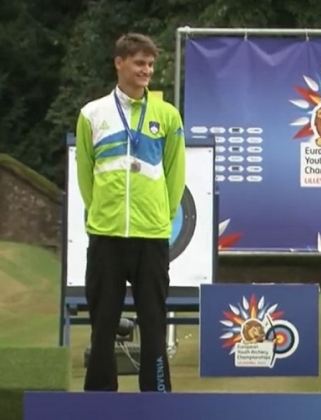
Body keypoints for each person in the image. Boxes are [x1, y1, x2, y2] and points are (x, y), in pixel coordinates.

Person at [75, 33, 186, 392]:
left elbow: (175, 172)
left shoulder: (167, 116)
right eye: (139, 63)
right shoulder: (92, 114)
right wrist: (99, 213)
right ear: (119, 62)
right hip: (106, 235)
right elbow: (85, 173)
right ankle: (99, 401)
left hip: (151, 236)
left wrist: (163, 217)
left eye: (151, 64)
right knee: (102, 324)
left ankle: (156, 397)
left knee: (153, 323)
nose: (147, 71)